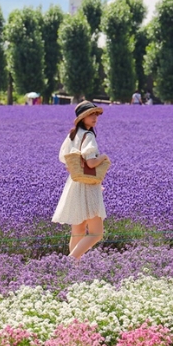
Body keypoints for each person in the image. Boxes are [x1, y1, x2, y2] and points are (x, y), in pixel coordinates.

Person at [53, 101, 110, 262]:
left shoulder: (72, 135)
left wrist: (74, 167)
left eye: (96, 114)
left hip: (74, 184)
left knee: (77, 231)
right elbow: (91, 163)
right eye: (91, 114)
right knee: (96, 233)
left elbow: (65, 159)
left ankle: (74, 272)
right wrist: (103, 157)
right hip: (88, 187)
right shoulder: (89, 135)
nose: (95, 118)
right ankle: (69, 262)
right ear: (82, 117)